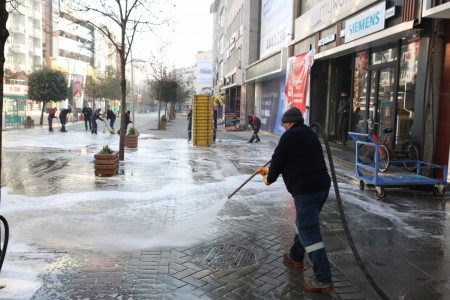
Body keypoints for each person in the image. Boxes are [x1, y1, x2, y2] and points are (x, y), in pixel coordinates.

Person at [257, 107, 333, 294]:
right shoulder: (308, 133)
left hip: (306, 190)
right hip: (321, 187)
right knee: (303, 223)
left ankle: (323, 279)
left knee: (309, 232)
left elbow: (277, 161)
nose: (283, 128)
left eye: (284, 125)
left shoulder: (289, 136)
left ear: (289, 123)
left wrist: (267, 176)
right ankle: (295, 256)